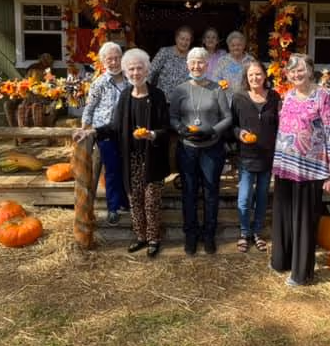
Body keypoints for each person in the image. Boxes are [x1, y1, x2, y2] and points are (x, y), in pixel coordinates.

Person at [74, 48, 170, 257]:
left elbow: (166, 128)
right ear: (126, 72)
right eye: (131, 69)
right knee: (135, 199)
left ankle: (154, 238)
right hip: (131, 158)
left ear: (147, 70)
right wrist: (91, 131)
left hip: (152, 157)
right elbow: (115, 126)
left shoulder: (157, 95)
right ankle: (141, 237)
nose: (136, 72)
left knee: (151, 200)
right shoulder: (126, 96)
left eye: (139, 68)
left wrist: (152, 134)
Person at [271, 53, 330, 286]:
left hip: (310, 170)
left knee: (302, 222)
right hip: (285, 166)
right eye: (292, 71)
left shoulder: (324, 97)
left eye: (300, 69)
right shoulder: (288, 95)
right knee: (284, 217)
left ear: (311, 70)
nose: (296, 74)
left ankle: (301, 274)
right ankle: (282, 261)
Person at [169, 46, 233, 255]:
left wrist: (212, 131)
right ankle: (190, 234)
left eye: (201, 62)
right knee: (188, 192)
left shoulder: (216, 89)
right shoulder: (180, 90)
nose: (197, 66)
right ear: (188, 65)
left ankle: (209, 234)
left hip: (211, 149)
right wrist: (180, 130)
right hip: (188, 148)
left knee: (210, 193)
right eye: (193, 62)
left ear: (207, 65)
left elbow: (228, 118)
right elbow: (173, 117)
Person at [80, 42, 130, 226]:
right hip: (105, 133)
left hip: (125, 133)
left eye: (117, 58)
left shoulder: (129, 81)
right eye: (110, 59)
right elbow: (89, 108)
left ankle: (125, 202)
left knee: (126, 168)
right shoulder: (99, 83)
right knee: (112, 171)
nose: (114, 62)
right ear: (103, 61)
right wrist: (84, 129)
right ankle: (113, 208)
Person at [231, 61, 279, 253]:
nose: (255, 78)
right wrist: (239, 133)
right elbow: (232, 125)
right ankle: (244, 232)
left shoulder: (274, 97)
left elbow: (280, 125)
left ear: (265, 76)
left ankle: (257, 232)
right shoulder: (239, 98)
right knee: (244, 199)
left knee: (261, 196)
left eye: (258, 74)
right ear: (246, 78)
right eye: (251, 75)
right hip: (246, 156)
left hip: (267, 156)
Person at [149, 25, 194, 98]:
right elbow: (151, 71)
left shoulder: (192, 57)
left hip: (184, 101)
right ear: (176, 38)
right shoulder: (164, 52)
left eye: (187, 40)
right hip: (163, 100)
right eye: (182, 39)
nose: (184, 42)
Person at [213, 31, 254, 95]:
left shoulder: (250, 60)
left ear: (244, 46)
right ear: (228, 46)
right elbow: (215, 78)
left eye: (239, 45)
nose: (236, 48)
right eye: (233, 45)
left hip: (246, 97)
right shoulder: (223, 60)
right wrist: (223, 85)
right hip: (226, 97)